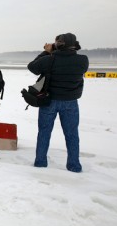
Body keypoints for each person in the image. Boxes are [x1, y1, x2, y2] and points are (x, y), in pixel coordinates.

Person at [28, 33, 89, 172]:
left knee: (44, 132)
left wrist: (46, 51)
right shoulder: (83, 60)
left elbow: (32, 67)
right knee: (72, 134)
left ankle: (40, 163)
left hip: (49, 100)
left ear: (58, 44)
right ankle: (74, 166)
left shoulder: (50, 59)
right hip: (71, 102)